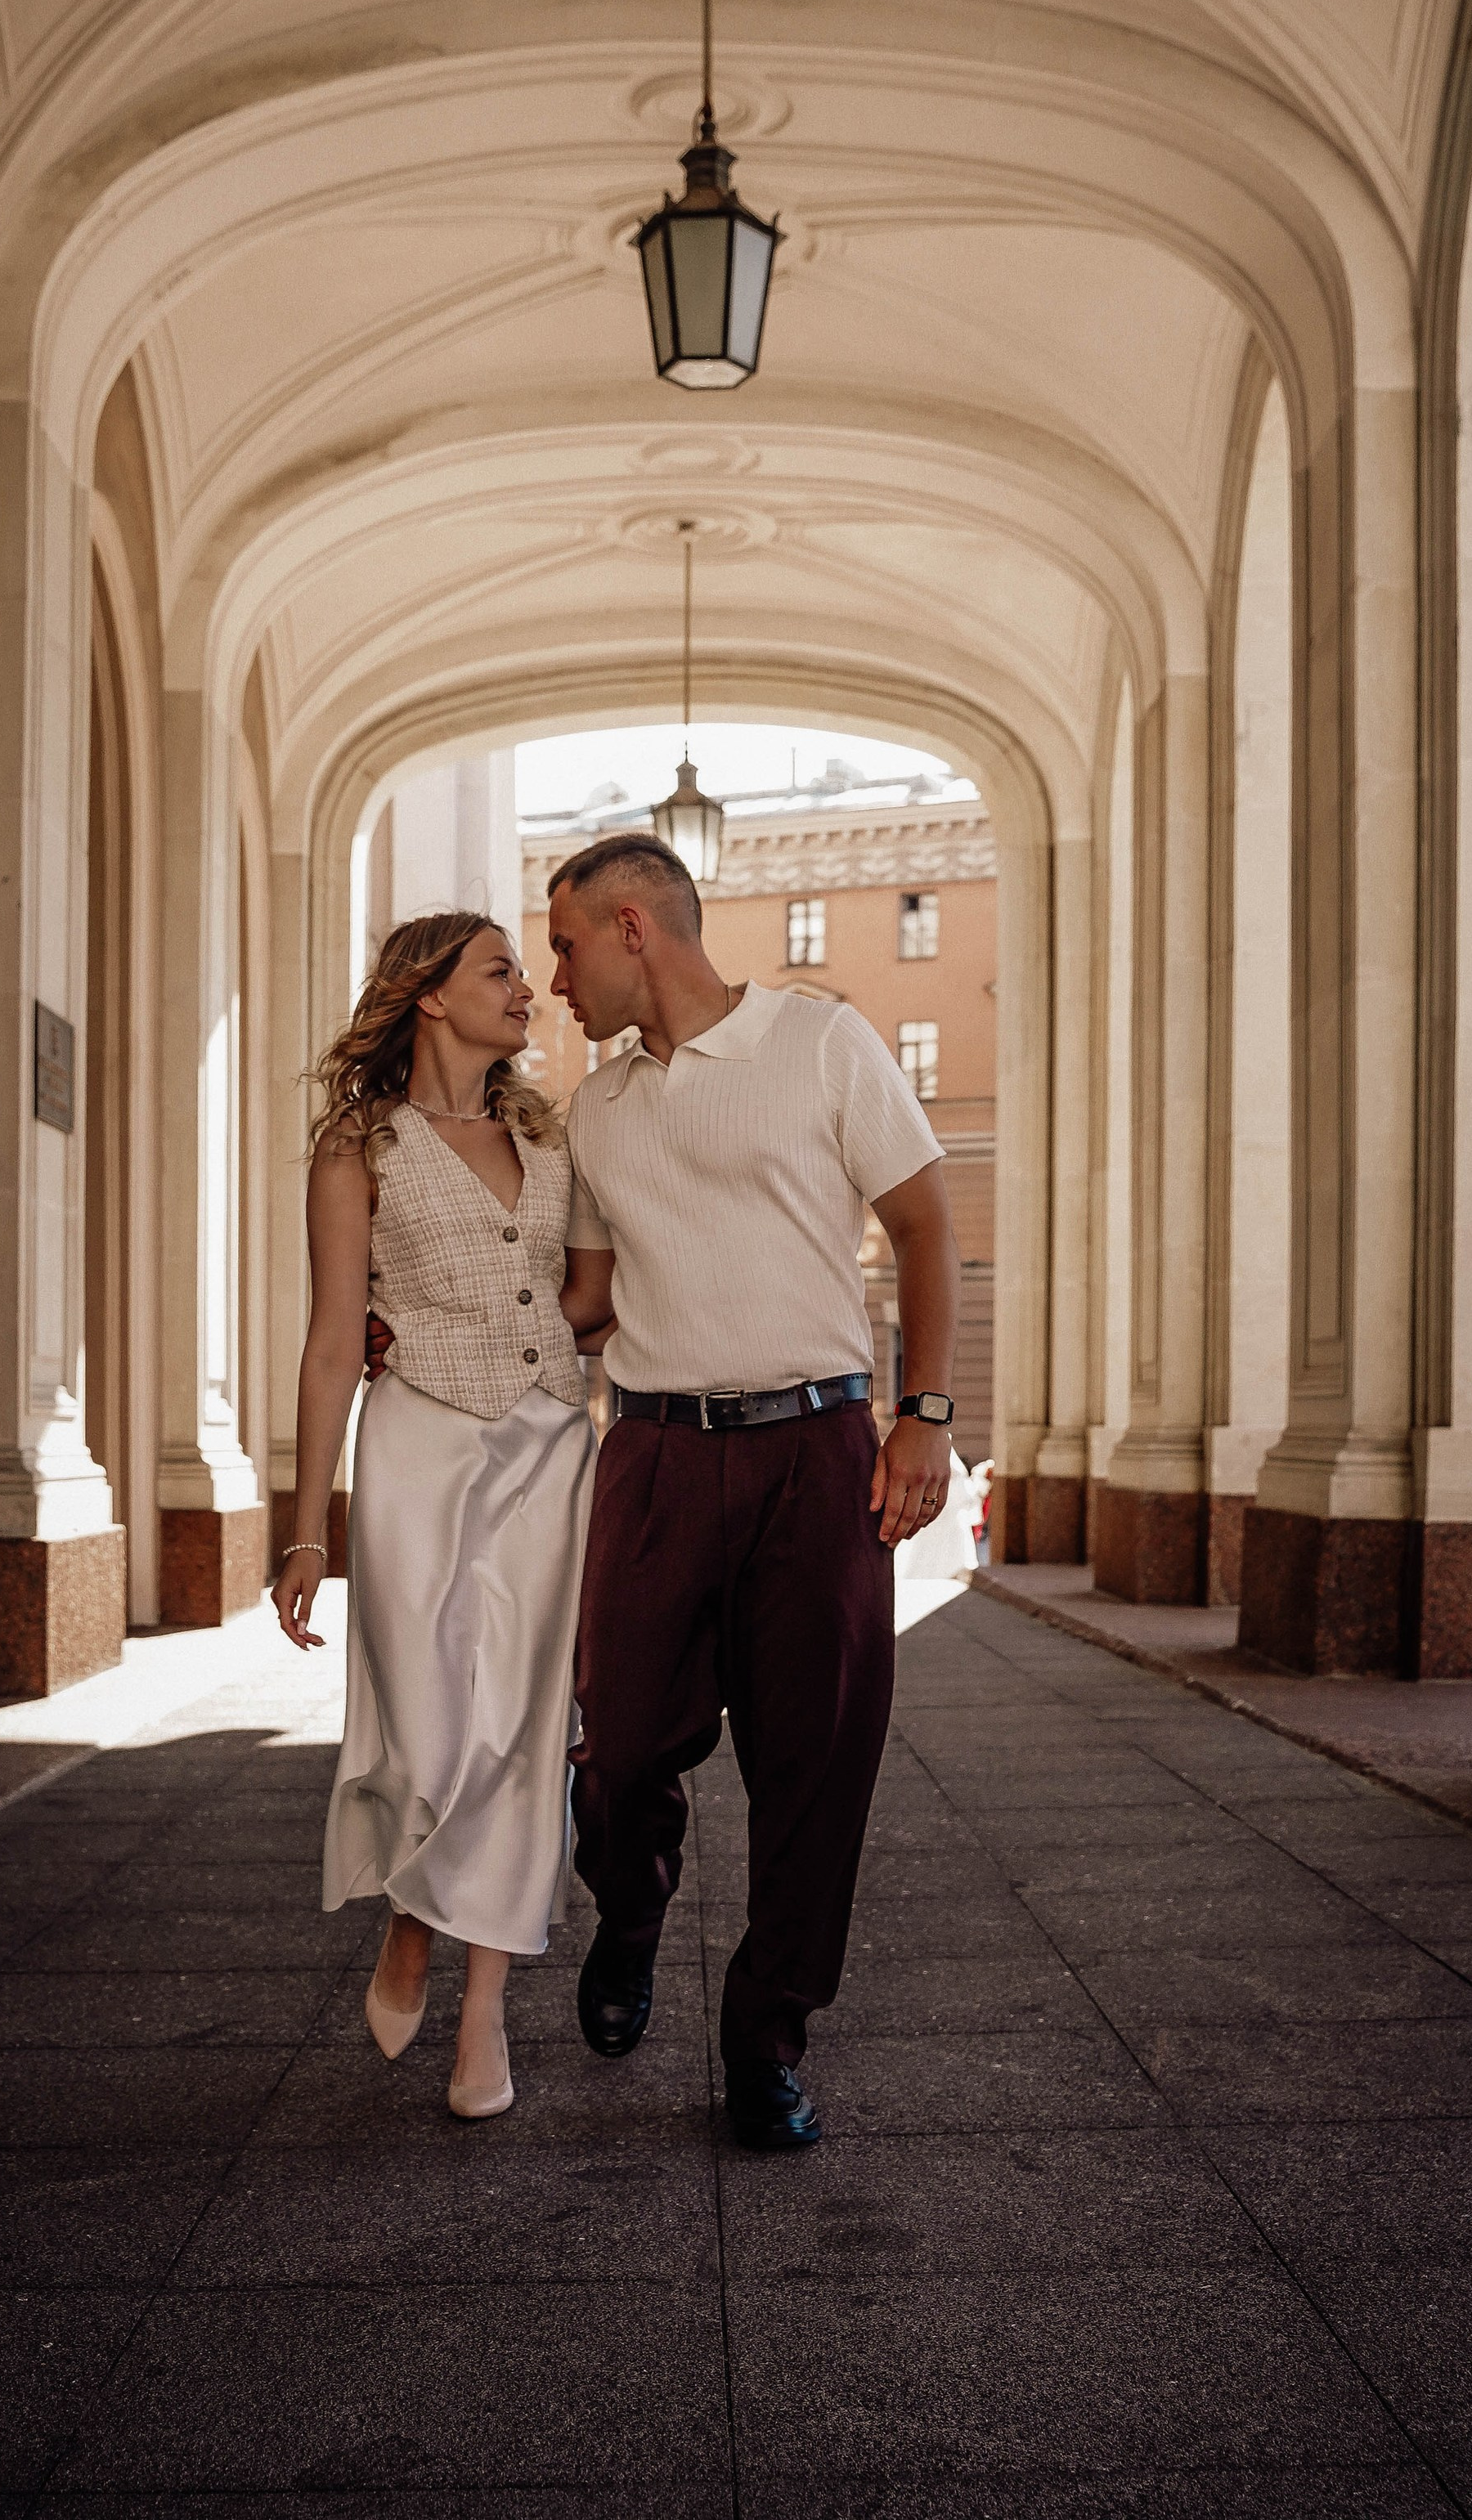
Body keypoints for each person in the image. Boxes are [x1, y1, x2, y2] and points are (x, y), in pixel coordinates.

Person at [550, 830, 960, 2153]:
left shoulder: (820, 1042)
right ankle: (630, 1905)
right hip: (659, 1455)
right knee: (617, 1747)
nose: (556, 979)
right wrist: (429, 1328)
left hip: (818, 1450)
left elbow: (925, 1223)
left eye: (564, 947)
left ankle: (766, 2036)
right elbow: (591, 1305)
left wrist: (927, 1416)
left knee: (817, 1765)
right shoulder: (595, 1111)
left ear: (630, 928)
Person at [274, 912, 597, 2123]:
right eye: (502, 970)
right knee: (426, 1730)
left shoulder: (551, 1133)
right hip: (416, 1445)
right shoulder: (361, 1146)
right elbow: (326, 1343)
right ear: (428, 996)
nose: (529, 989)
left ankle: (484, 2016)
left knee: (524, 1735)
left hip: (551, 1448)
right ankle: (411, 1917)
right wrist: (312, 1531)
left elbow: (586, 1298)